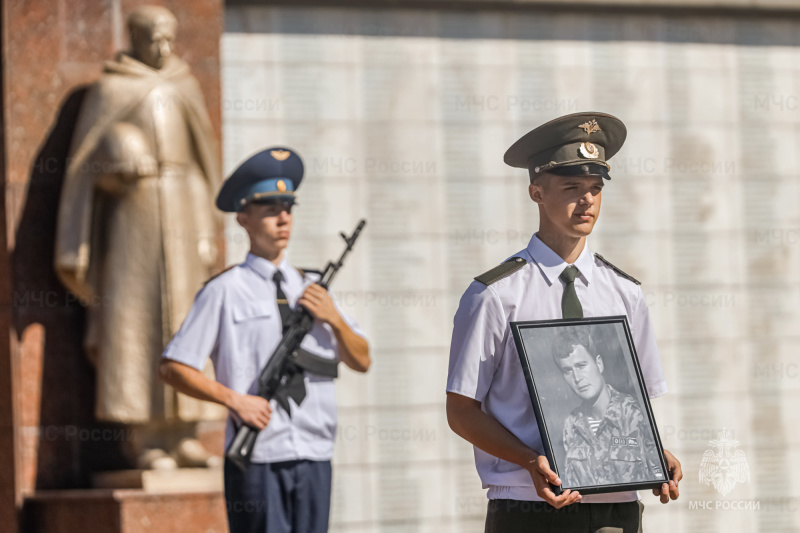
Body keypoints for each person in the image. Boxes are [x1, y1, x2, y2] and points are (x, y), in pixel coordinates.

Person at [446, 112, 682, 532]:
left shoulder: (625, 292)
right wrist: (527, 460)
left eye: (595, 189)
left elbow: (634, 398)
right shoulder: (496, 295)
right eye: (571, 188)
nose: (587, 200)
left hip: (616, 507)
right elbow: (462, 411)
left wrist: (653, 452)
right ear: (536, 192)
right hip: (528, 506)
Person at [159, 147, 371, 533]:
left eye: (288, 206)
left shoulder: (314, 288)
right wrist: (234, 400)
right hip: (257, 454)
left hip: (314, 451)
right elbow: (173, 367)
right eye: (270, 207)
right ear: (243, 217)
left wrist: (334, 319)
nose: (284, 217)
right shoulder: (223, 291)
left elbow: (362, 360)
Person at [54, 5, 223, 469]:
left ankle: (185, 432)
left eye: (171, 38)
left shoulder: (184, 84)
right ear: (134, 36)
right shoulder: (111, 89)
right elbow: (83, 168)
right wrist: (113, 162)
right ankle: (144, 437)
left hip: (184, 207)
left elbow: (205, 166)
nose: (164, 48)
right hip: (135, 218)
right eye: (155, 38)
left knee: (187, 320)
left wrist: (207, 230)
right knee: (137, 322)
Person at [552, 329, 663, 487]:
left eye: (581, 365)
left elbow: (657, 470)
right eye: (567, 371)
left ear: (599, 364)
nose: (577, 378)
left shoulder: (634, 412)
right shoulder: (571, 425)